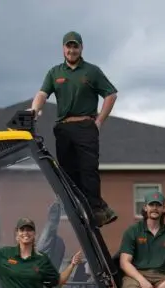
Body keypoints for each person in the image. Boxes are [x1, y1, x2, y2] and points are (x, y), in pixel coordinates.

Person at [30, 31, 118, 228]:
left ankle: (96, 210)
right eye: (68, 46)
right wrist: (35, 109)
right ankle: (79, 208)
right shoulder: (55, 72)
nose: (72, 50)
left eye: (75, 46)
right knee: (68, 172)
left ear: (81, 48)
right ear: (63, 48)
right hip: (63, 128)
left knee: (88, 169)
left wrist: (99, 121)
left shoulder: (92, 71)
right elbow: (42, 93)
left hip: (86, 125)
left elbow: (111, 95)